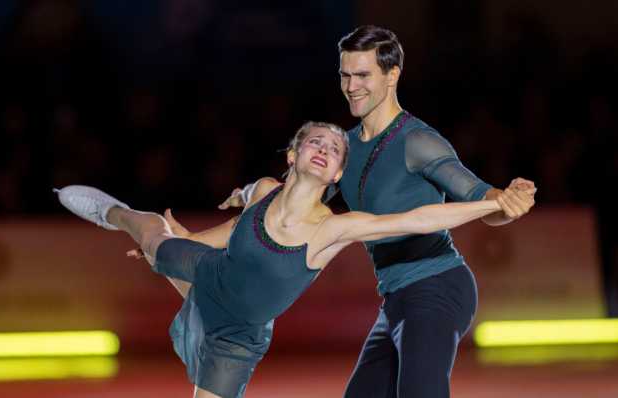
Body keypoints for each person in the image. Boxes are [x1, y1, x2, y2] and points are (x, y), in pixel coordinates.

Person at [170, 26, 537, 398]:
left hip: (438, 286)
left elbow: (481, 197)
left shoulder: (417, 141)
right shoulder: (343, 150)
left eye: (363, 75)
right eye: (345, 75)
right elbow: (284, 204)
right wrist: (203, 228)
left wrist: (507, 201)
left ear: (392, 75)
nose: (351, 86)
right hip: (396, 299)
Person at [55, 121, 518, 398]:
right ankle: (115, 212)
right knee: (155, 233)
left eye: (335, 150)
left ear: (338, 173)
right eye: (315, 143)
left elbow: (420, 218)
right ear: (295, 155)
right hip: (209, 272)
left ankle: (163, 253)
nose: (324, 150)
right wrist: (189, 236)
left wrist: (492, 202)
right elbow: (239, 229)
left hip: (238, 336)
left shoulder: (333, 228)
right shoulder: (263, 190)